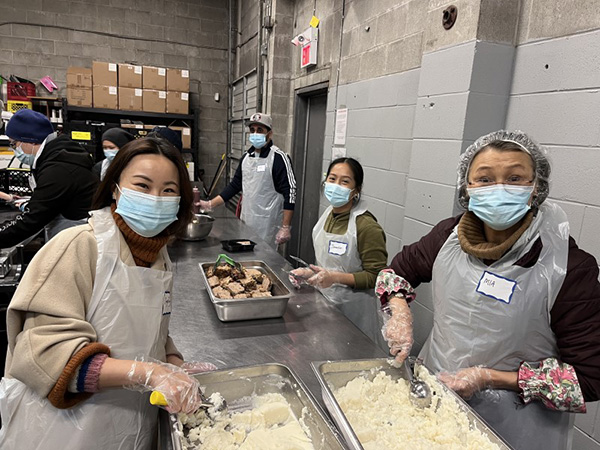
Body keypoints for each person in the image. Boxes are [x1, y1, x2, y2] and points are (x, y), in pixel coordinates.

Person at [377, 130, 600, 450]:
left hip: (514, 430)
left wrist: (490, 378)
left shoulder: (568, 268)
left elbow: (588, 379)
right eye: (484, 179)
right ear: (466, 188)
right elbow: (396, 273)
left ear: (536, 188)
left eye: (514, 178)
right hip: (435, 409)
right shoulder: (446, 238)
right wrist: (399, 312)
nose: (499, 189)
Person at [0, 138, 215, 449]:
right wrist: (148, 373)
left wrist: (171, 362)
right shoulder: (78, 246)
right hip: (62, 430)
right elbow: (44, 355)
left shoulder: (159, 257)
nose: (156, 198)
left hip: (127, 425)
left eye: (168, 190)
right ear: (115, 188)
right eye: (143, 185)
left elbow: (148, 325)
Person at [291, 158, 388, 349]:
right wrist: (310, 273)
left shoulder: (366, 226)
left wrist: (335, 277)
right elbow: (330, 263)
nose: (336, 186)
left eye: (345, 182)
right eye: (332, 179)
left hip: (354, 312)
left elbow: (378, 276)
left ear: (356, 190)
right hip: (325, 305)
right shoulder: (328, 215)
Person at [1, 109, 99, 245]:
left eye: (14, 144)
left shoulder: (58, 169)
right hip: (71, 237)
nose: (14, 150)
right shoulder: (56, 156)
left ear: (30, 140)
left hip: (76, 241)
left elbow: (32, 219)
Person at [198, 113, 296, 248]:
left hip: (268, 224)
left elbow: (290, 191)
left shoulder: (279, 158)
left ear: (270, 134)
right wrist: (210, 204)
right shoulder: (246, 158)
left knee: (265, 258)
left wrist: (285, 226)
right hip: (246, 221)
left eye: (260, 130)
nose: (255, 134)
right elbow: (235, 186)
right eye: (252, 130)